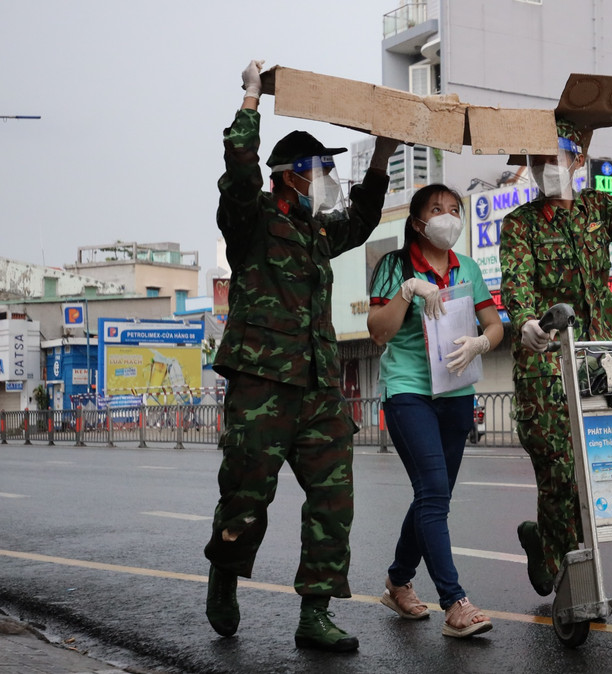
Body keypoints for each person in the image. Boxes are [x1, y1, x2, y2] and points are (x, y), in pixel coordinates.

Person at [204, 60, 400, 652]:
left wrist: (382, 157)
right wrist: (251, 101)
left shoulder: (317, 231)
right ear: (292, 176)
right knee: (246, 496)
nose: (329, 179)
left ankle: (315, 613)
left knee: (333, 500)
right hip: (262, 383)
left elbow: (361, 220)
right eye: (322, 170)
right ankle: (225, 572)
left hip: (318, 387)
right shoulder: (252, 220)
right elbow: (240, 173)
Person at [500, 104, 612, 596]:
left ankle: (546, 543)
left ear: (578, 159)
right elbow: (516, 282)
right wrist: (527, 321)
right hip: (547, 366)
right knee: (559, 473)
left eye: (556, 156)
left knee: (597, 469)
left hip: (601, 362)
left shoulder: (597, 208)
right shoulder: (520, 224)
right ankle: (568, 575)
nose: (546, 167)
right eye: (537, 160)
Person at [367, 184, 502, 638]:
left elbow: (494, 324)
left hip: (457, 391)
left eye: (454, 209)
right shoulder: (394, 266)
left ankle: (397, 581)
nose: (448, 216)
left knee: (433, 494)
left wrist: (482, 342)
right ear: (418, 221)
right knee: (433, 492)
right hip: (409, 391)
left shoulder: (469, 268)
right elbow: (378, 332)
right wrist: (408, 290)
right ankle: (455, 603)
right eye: (437, 209)